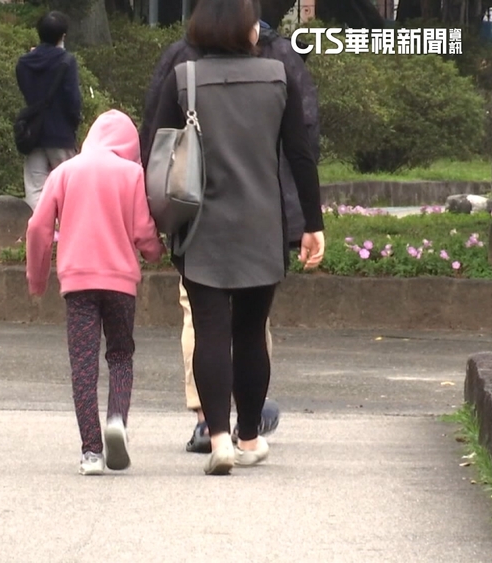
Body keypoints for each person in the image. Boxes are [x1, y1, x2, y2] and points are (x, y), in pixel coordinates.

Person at [143, 0, 325, 475]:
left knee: (209, 329)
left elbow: (157, 151)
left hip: (200, 223)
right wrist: (312, 222)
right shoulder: (276, 76)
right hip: (262, 223)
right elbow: (301, 154)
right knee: (250, 332)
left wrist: (155, 219)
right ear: (247, 29)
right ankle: (249, 436)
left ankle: (218, 438)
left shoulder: (183, 78)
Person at [26, 109, 163, 476]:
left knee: (83, 366)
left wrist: (37, 278)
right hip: (120, 283)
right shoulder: (132, 174)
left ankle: (90, 451)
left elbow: (38, 226)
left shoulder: (65, 172)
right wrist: (155, 253)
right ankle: (117, 419)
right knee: (120, 354)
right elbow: (143, 230)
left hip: (78, 283)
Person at [15, 10, 81, 209]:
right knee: (68, 189)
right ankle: (65, 233)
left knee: (36, 190)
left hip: (34, 133)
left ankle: (40, 230)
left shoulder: (24, 63)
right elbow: (73, 101)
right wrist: (74, 123)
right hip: (61, 133)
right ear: (63, 36)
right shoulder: (67, 62)